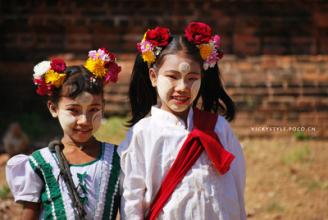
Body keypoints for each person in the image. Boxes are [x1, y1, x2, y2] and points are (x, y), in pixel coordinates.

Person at [119, 22, 246, 220]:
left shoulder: (219, 128)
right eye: (172, 76)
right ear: (153, 77)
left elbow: (237, 186)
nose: (182, 87)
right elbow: (132, 199)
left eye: (192, 78)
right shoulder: (142, 134)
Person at [6, 48, 122, 220]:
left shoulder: (117, 159)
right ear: (53, 108)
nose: (84, 120)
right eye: (74, 110)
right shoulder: (40, 163)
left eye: (94, 110)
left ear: (103, 107)